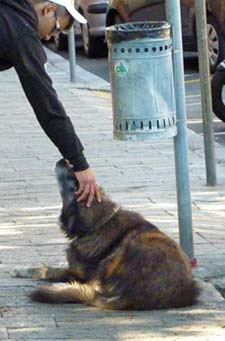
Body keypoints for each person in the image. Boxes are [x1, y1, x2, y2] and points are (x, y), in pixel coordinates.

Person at [0, 0, 101, 207]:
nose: (48, 37)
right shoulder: (21, 28)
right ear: (49, 9)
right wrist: (80, 164)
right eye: (55, 28)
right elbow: (46, 105)